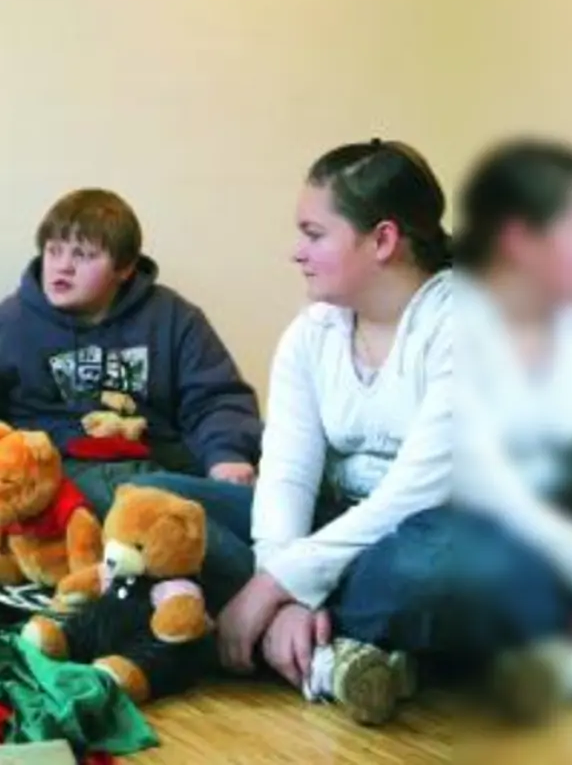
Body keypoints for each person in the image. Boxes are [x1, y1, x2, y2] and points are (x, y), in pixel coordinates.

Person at [132, 139, 454, 726]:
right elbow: (286, 473)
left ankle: (278, 639)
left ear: (382, 240)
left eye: (314, 234)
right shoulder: (311, 334)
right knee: (152, 504)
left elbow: (420, 494)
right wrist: (279, 587)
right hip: (336, 525)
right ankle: (335, 650)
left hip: (433, 529)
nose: (296, 252)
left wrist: (277, 585)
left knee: (426, 567)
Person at [0, 188, 263, 513]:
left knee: (258, 502)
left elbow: (215, 398)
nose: (62, 267)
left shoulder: (173, 317)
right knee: (140, 506)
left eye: (83, 255)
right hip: (59, 480)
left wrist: (226, 455)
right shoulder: (5, 325)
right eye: (53, 251)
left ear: (125, 268)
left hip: (161, 469)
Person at [450, 139, 572, 721]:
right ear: (520, 240)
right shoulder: (452, 323)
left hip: (552, 515)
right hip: (470, 522)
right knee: (485, 569)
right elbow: (485, 485)